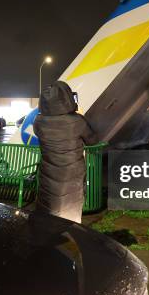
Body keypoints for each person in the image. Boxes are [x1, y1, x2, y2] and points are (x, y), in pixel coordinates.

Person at [34, 81, 98, 223]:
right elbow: (92, 140)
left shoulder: (38, 121)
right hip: (72, 175)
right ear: (67, 99)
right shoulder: (76, 121)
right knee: (70, 215)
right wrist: (79, 115)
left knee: (48, 209)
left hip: (47, 172)